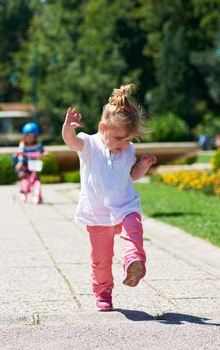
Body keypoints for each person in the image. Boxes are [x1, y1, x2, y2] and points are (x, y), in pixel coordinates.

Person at [61, 84, 157, 311]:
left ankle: (133, 262)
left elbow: (130, 176)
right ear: (102, 128)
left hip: (125, 206)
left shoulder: (128, 149)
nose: (123, 144)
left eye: (128, 140)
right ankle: (103, 292)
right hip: (97, 212)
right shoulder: (89, 145)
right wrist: (68, 129)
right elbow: (71, 142)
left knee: (134, 230)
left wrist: (143, 166)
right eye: (118, 139)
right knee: (100, 260)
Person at [14, 122, 45, 204]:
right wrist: (20, 162)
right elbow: (20, 153)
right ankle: (23, 191)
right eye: (28, 136)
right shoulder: (23, 144)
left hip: (34, 164)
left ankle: (38, 195)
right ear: (25, 136)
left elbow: (42, 151)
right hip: (25, 164)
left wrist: (44, 153)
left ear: (35, 136)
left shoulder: (38, 144)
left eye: (32, 136)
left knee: (36, 178)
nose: (30, 138)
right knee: (24, 177)